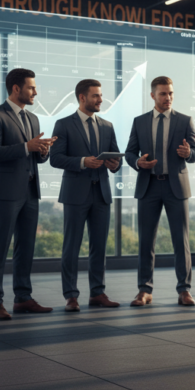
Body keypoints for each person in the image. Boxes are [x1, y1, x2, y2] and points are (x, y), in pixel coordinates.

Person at [0, 68, 56, 320]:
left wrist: (42, 151)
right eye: (32, 87)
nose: (36, 92)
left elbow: (34, 157)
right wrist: (27, 146)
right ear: (16, 88)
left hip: (30, 190)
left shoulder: (33, 119)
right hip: (5, 192)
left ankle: (23, 298)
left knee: (26, 247)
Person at [124, 76, 195, 307]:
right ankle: (144, 290)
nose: (168, 98)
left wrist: (189, 154)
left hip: (175, 186)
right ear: (153, 96)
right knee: (146, 242)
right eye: (163, 94)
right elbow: (129, 153)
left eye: (170, 93)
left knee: (181, 241)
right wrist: (138, 163)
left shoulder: (185, 121)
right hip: (148, 186)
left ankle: (184, 290)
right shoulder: (139, 122)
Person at [50, 79, 122, 312]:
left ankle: (97, 293)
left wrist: (113, 165)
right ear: (82, 97)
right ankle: (71, 295)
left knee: (99, 247)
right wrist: (83, 162)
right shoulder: (63, 124)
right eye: (96, 96)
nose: (101, 100)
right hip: (75, 194)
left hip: (101, 193)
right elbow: (55, 158)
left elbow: (115, 162)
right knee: (71, 246)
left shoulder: (107, 125)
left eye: (101, 96)